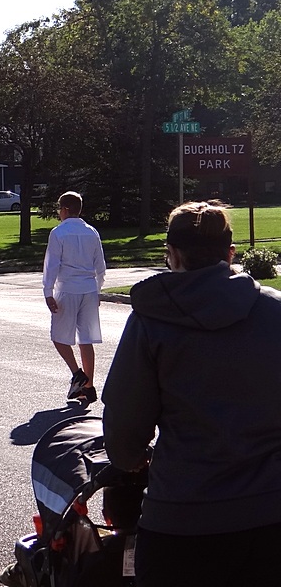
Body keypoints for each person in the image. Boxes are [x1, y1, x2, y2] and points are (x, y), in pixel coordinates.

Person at [102, 201, 281, 586]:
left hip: (183, 516)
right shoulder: (274, 312)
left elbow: (126, 422)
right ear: (230, 253)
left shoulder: (151, 321)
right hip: (271, 511)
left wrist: (129, 459)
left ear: (173, 254)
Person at [42, 191, 107, 404]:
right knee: (86, 339)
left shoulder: (59, 233)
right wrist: (97, 289)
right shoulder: (92, 232)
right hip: (88, 288)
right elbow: (100, 266)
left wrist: (48, 291)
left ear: (64, 209)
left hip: (68, 287)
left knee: (59, 336)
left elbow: (52, 265)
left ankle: (77, 373)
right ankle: (88, 386)